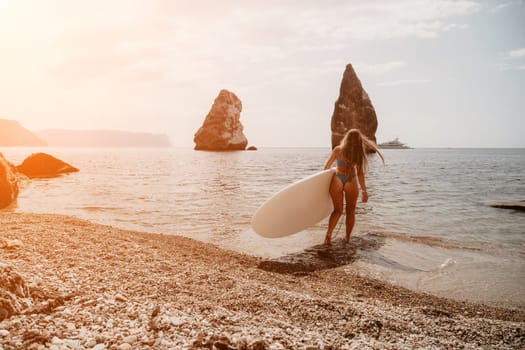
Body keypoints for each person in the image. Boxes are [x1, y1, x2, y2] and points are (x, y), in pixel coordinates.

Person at [323, 129, 384, 245]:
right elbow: (360, 174)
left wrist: (322, 185)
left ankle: (329, 235)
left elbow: (326, 167)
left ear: (347, 138)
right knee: (350, 211)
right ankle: (347, 238)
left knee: (337, 210)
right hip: (351, 181)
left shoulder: (337, 150)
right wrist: (364, 191)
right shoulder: (358, 154)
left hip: (337, 180)